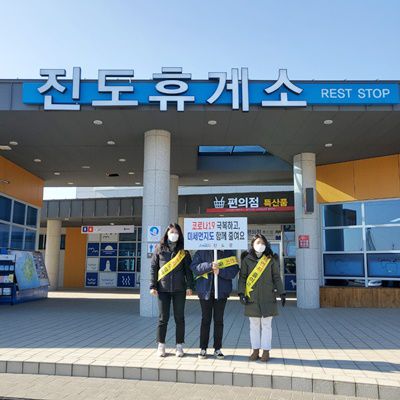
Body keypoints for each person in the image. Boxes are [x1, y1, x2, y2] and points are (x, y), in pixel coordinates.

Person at [238, 234, 286, 362]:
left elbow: (276, 277)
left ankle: (266, 351)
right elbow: (242, 278)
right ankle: (255, 350)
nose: (261, 245)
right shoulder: (247, 260)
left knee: (267, 325)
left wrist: (282, 292)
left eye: (263, 243)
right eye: (258, 242)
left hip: (268, 297)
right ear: (252, 244)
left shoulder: (270, 259)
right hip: (252, 298)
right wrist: (241, 293)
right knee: (254, 325)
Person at [150, 223, 194, 357]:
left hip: (179, 289)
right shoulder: (159, 248)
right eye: (171, 232)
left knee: (179, 318)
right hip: (163, 289)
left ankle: (179, 345)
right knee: (163, 318)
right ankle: (161, 345)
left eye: (176, 232)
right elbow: (154, 268)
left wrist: (189, 286)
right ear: (167, 233)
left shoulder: (184, 251)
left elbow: (188, 271)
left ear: (179, 235)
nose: (174, 234)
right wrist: (153, 286)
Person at [190, 249, 239, 359]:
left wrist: (220, 272)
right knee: (205, 320)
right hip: (205, 291)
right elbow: (194, 267)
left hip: (221, 292)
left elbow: (234, 271)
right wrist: (209, 266)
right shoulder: (201, 252)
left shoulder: (228, 253)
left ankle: (217, 348)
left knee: (218, 320)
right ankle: (203, 348)